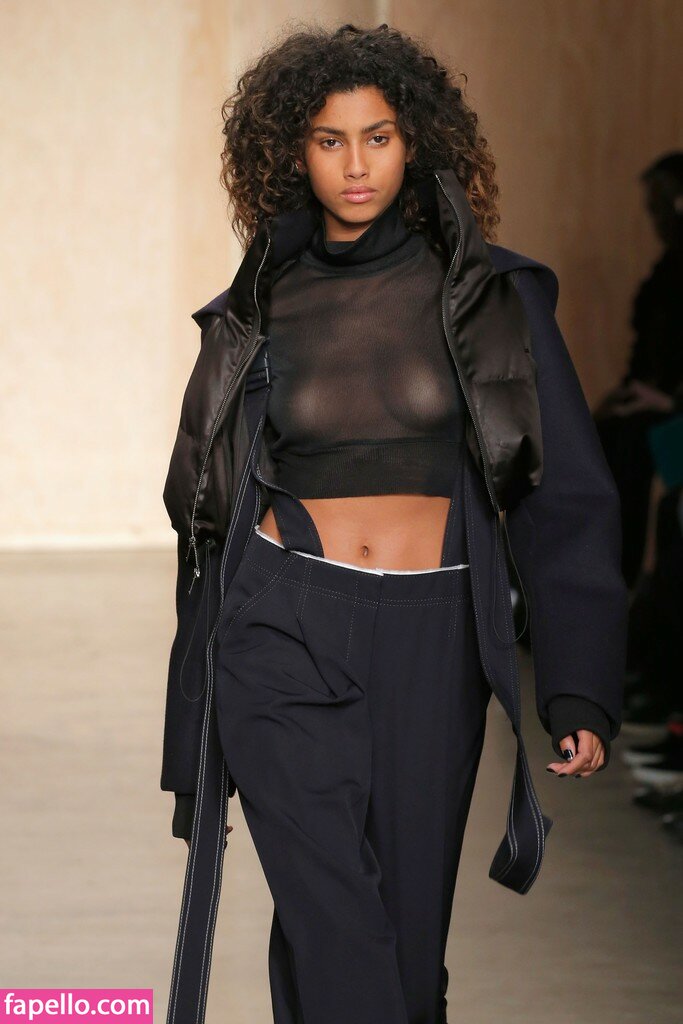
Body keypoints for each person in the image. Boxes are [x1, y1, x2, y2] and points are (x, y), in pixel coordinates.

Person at [159, 23, 628, 1024]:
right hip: (281, 624)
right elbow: (203, 510)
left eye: (376, 136)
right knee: (334, 919)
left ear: (414, 141)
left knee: (406, 957)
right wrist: (190, 724)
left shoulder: (488, 299)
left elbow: (564, 494)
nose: (355, 164)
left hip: (432, 635)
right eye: (328, 140)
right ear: (291, 151)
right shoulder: (258, 304)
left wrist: (578, 682)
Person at [594, 151, 683, 588]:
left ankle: (623, 583)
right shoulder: (668, 267)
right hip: (655, 406)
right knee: (599, 435)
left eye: (662, 205)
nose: (656, 217)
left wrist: (668, 400)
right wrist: (630, 393)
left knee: (630, 446)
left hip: (670, 414)